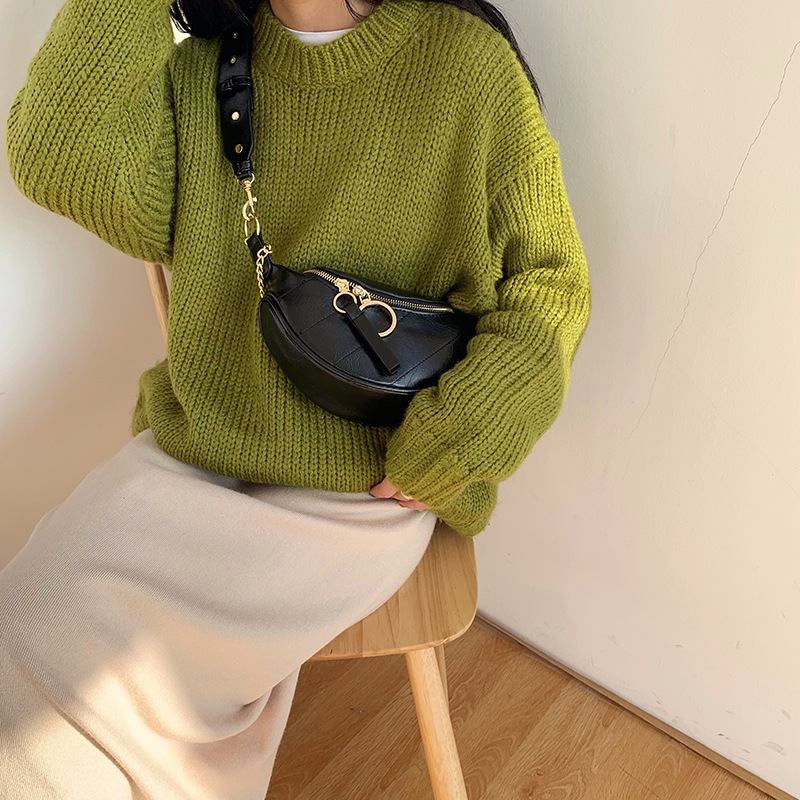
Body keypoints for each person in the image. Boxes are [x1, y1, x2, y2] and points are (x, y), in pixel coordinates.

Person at [0, 0, 592, 796]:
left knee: (107, 704)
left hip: (358, 489)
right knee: (24, 624)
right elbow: (60, 158)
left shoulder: (464, 68)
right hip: (192, 456)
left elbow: (550, 286)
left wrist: (460, 437)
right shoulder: (200, 72)